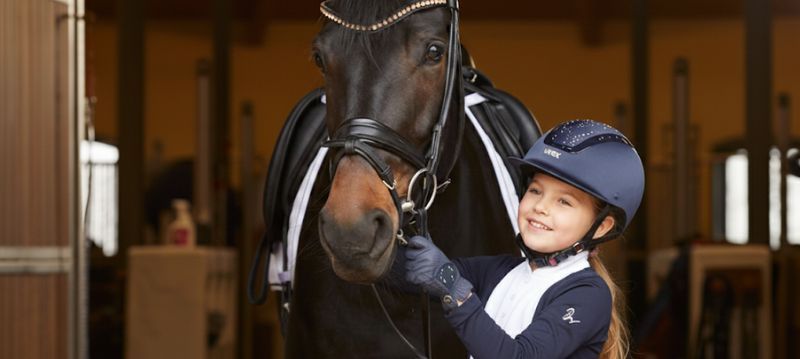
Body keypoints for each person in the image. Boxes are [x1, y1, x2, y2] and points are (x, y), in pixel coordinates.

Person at [404, 119, 645, 359]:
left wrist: (452, 287)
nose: (540, 206)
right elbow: (408, 274)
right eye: (535, 191)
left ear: (601, 227)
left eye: (564, 201)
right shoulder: (498, 270)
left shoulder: (588, 295)